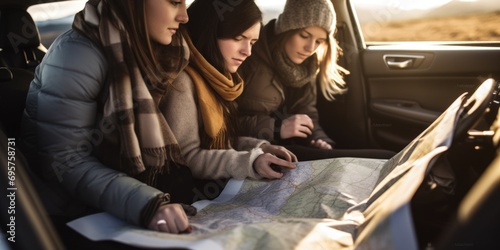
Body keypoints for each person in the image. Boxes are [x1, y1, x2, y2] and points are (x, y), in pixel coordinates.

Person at [19, 0, 197, 240]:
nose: (184, 16)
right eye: (175, 2)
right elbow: (64, 160)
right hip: (69, 213)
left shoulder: (156, 53)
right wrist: (147, 204)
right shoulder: (76, 53)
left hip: (113, 201)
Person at [160, 0, 297, 194]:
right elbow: (187, 157)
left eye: (252, 42)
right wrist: (251, 161)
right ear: (211, 32)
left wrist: (262, 148)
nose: (247, 51)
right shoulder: (183, 82)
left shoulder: (220, 79)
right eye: (238, 38)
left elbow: (224, 143)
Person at [236, 0, 395, 161]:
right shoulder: (246, 57)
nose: (310, 48)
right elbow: (225, 124)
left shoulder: (308, 67)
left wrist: (320, 140)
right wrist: (275, 128)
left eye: (319, 41)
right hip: (255, 151)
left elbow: (307, 115)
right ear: (285, 29)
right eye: (304, 36)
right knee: (384, 159)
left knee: (387, 159)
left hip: (290, 148)